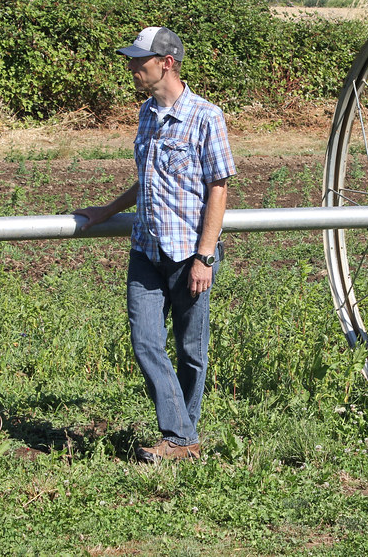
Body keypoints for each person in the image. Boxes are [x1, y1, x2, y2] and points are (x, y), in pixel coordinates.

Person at [74, 27, 235, 463]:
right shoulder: (146, 114)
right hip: (146, 249)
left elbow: (218, 188)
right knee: (145, 340)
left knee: (189, 350)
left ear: (166, 63)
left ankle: (181, 439)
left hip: (188, 253)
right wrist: (105, 211)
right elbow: (146, 180)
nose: (131, 68)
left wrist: (204, 256)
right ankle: (181, 435)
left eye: (138, 61)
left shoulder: (206, 117)